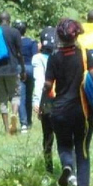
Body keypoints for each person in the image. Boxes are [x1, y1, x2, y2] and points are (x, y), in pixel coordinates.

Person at [44, 18, 93, 186]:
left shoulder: (53, 57)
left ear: (59, 37)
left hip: (59, 111)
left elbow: (47, 86)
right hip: (82, 112)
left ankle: (68, 167)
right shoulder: (84, 55)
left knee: (63, 144)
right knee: (83, 149)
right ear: (77, 35)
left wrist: (43, 107)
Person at [0, 11, 25, 134]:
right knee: (15, 95)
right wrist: (23, 69)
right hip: (12, 69)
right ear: (9, 20)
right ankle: (14, 115)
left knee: (2, 99)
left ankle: (6, 129)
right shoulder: (15, 32)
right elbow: (20, 53)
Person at [32, 26, 58, 174]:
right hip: (63, 99)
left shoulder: (38, 58)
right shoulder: (61, 56)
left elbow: (40, 81)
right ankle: (68, 167)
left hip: (47, 100)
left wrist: (37, 102)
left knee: (48, 136)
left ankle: (49, 169)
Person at [13, 20, 38, 133]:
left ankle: (23, 124)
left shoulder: (13, 43)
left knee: (21, 97)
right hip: (31, 69)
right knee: (29, 96)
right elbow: (36, 56)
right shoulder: (32, 42)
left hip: (18, 69)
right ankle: (29, 121)